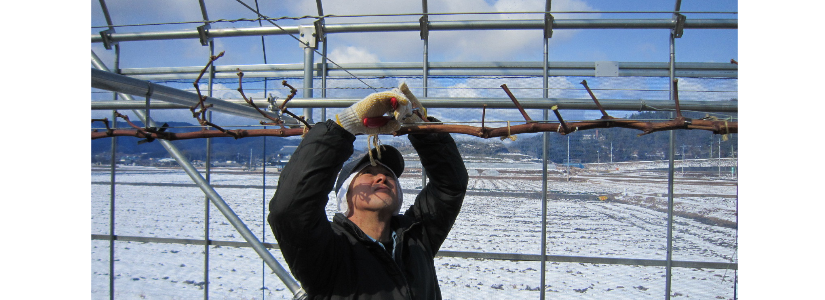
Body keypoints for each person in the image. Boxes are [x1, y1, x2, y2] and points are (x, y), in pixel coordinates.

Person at [268, 83, 468, 299]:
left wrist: (421, 127)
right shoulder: (328, 252)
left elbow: (451, 184)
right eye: (369, 173)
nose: (382, 177)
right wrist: (345, 126)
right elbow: (291, 211)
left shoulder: (417, 236)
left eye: (389, 174)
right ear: (346, 193)